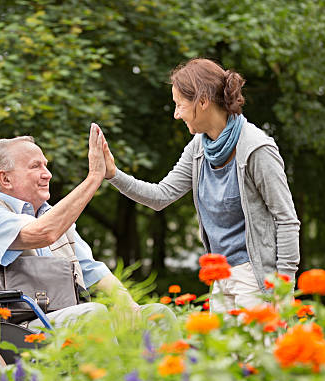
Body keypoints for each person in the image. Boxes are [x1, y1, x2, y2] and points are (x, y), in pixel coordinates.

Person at [101, 58, 300, 313]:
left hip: (257, 277)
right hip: (220, 276)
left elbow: (286, 220)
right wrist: (113, 174)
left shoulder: (256, 149)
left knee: (254, 353)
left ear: (203, 102)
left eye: (179, 105)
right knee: (221, 353)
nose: (176, 114)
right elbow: (161, 196)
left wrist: (283, 289)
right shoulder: (199, 148)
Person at [0, 124, 173, 330]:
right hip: (3, 330)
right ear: (6, 179)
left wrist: (125, 301)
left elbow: (91, 270)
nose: (47, 174)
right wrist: (95, 177)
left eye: (45, 166)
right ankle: (109, 373)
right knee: (91, 313)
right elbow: (43, 233)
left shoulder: (54, 219)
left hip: (56, 321)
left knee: (157, 316)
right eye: (35, 166)